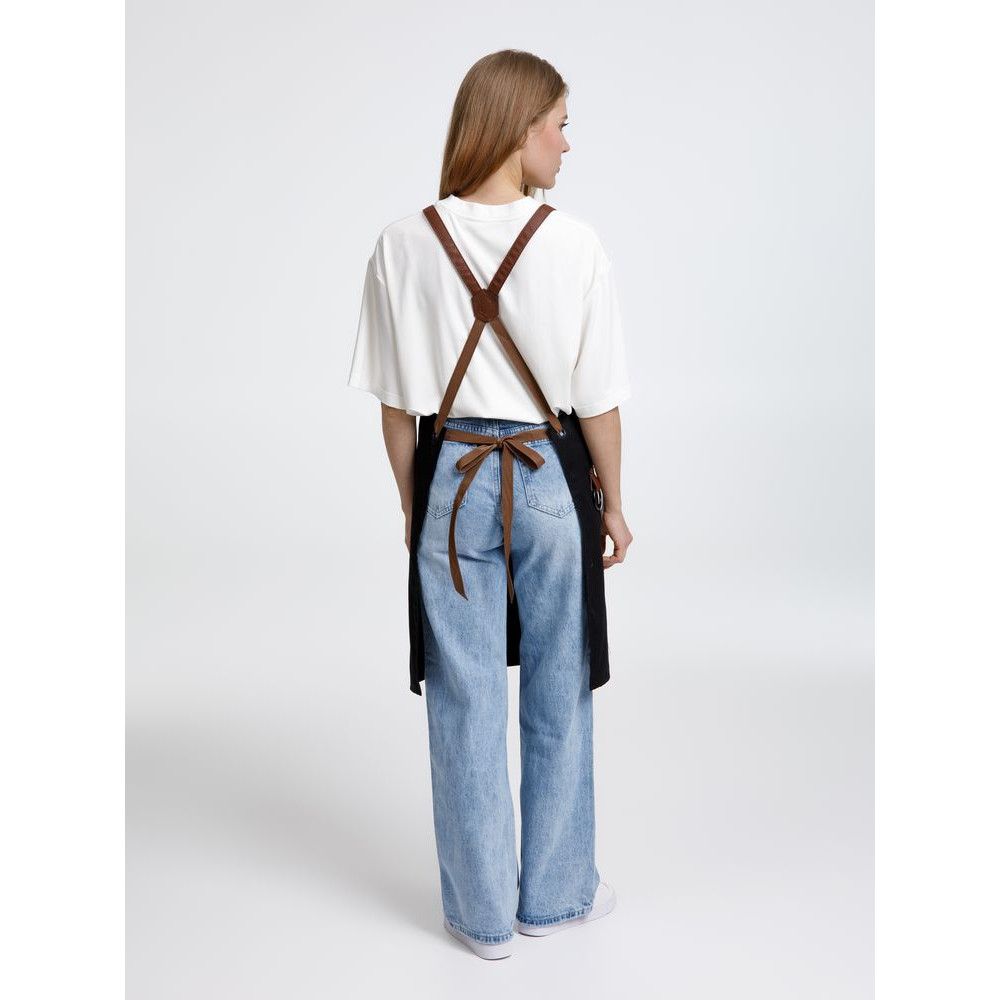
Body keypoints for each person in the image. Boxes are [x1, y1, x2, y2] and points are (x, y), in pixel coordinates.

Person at [347, 49, 634, 960]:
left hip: (454, 477)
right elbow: (597, 403)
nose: (566, 144)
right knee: (559, 684)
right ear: (518, 128)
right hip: (550, 476)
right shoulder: (575, 244)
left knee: (462, 696)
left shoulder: (402, 242)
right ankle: (555, 896)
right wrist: (614, 504)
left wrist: (415, 507)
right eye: (559, 124)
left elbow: (398, 409)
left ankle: (480, 918)